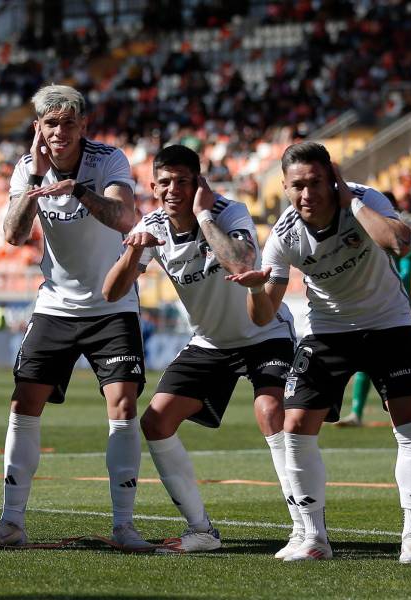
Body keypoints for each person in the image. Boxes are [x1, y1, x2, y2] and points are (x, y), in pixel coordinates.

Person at [228, 142, 411, 563]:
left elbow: (398, 243)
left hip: (388, 323)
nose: (307, 195)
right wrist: (254, 289)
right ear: (284, 188)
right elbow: (263, 316)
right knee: (296, 425)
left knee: (410, 426)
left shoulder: (364, 199)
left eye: (316, 183)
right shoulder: (283, 237)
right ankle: (315, 539)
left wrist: (351, 201)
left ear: (332, 179)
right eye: (297, 186)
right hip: (328, 331)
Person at [0, 84, 149, 549]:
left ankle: (124, 526)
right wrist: (34, 178)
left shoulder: (108, 160)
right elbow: (11, 234)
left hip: (112, 302)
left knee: (124, 407)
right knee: (23, 403)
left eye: (69, 123)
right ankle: (11, 523)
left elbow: (125, 216)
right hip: (55, 304)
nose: (60, 132)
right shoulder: (27, 168)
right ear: (38, 129)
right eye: (51, 124)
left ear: (83, 125)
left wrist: (78, 192)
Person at [102, 145, 300, 555]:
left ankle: (305, 528)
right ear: (153, 186)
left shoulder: (229, 212)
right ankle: (202, 531)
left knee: (270, 412)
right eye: (165, 182)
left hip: (264, 333)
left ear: (199, 183)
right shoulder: (153, 226)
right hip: (210, 341)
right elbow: (111, 292)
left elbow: (243, 263)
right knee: (155, 422)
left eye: (183, 181)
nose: (173, 189)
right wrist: (134, 250)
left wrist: (206, 216)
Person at [336, 191, 411, 427]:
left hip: (396, 304)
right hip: (378, 301)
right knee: (371, 358)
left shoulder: (393, 231)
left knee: (404, 365)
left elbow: (407, 258)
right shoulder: (372, 230)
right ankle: (357, 413)